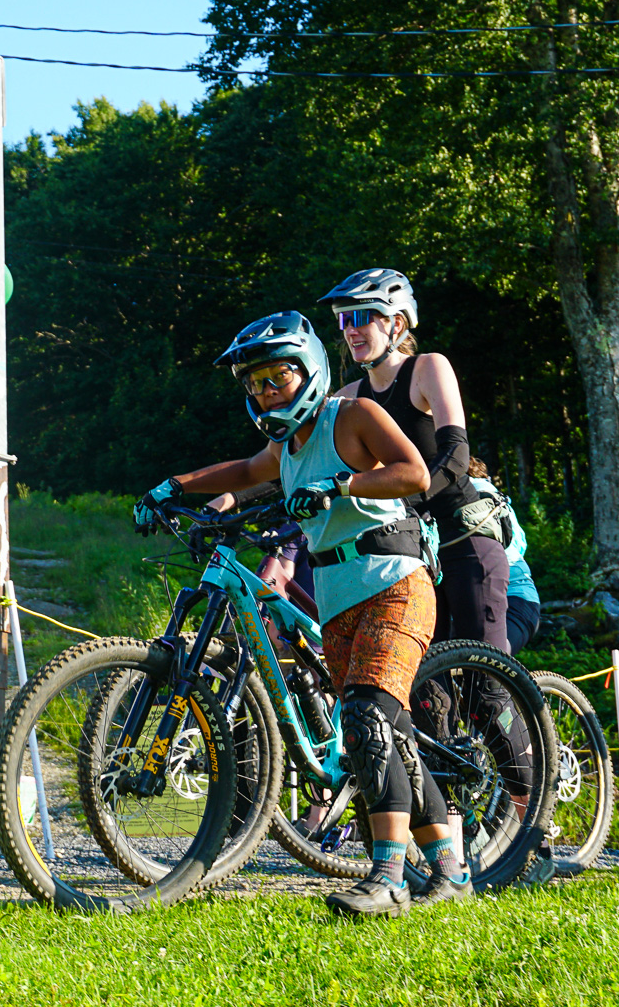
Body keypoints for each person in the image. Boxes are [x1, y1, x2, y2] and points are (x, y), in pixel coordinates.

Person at [132, 311, 469, 916]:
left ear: (309, 370)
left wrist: (341, 487)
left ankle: (388, 879)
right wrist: (172, 486)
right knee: (382, 736)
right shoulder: (286, 448)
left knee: (368, 717)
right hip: (340, 600)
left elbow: (415, 471)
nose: (264, 392)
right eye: (254, 383)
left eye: (276, 378)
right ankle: (452, 870)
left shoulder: (353, 416)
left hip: (395, 582)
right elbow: (244, 471)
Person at [321, 268, 542, 880]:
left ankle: (535, 829)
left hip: (465, 540)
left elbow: (455, 456)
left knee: (486, 686)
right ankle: (457, 856)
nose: (351, 331)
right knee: (429, 701)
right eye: (343, 321)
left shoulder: (427, 369)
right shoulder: (346, 397)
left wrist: (406, 493)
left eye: (362, 317)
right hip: (410, 554)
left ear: (397, 322)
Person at [468, 460, 540, 655]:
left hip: (493, 597)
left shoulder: (455, 495)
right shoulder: (499, 500)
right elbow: (520, 543)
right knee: (495, 662)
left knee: (489, 664)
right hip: (522, 597)